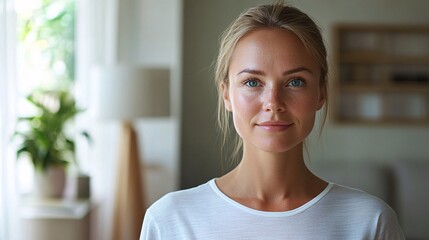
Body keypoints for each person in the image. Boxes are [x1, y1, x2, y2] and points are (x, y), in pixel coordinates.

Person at [140, 2, 405, 239]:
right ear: (226, 95)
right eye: (252, 82)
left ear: (321, 93)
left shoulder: (370, 221)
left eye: (295, 82)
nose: (273, 102)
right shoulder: (170, 220)